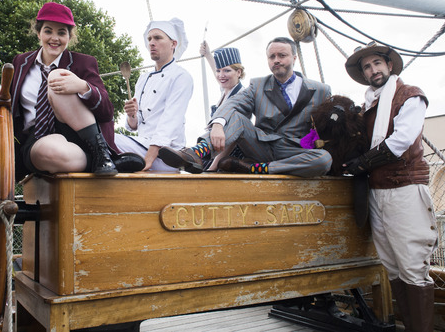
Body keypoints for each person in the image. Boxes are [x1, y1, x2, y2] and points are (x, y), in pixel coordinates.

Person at [343, 41, 437, 332]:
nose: (373, 70)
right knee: (392, 266)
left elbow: (401, 140)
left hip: (405, 188)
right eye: (367, 67)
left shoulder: (410, 96)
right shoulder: (367, 106)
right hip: (377, 192)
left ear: (390, 65)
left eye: (377, 64)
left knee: (412, 265)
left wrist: (361, 163)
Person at [159, 36, 332, 176]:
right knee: (237, 118)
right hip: (262, 146)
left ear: (294, 58)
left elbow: (330, 127)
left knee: (324, 159)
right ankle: (196, 153)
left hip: (294, 151)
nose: (276, 60)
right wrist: (218, 124)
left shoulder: (320, 90)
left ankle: (258, 169)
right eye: (272, 57)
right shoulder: (258, 85)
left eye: (282, 55)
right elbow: (234, 103)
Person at [11, 2, 143, 178]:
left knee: (57, 76)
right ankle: (103, 162)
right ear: (38, 33)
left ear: (69, 36)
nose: (54, 38)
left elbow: (107, 111)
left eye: (61, 33)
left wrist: (83, 86)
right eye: (48, 31)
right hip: (39, 138)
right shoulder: (20, 62)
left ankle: (100, 153)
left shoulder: (84, 62)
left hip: (79, 135)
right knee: (47, 152)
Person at [114, 18, 194, 171]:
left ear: (173, 44)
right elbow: (135, 126)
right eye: (149, 38)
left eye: (158, 38)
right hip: (141, 143)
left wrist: (148, 159)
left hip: (166, 154)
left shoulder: (181, 76)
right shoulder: (143, 79)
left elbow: (171, 120)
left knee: (105, 138)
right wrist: (132, 115)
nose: (151, 42)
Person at [200, 42, 246, 117]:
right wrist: (207, 54)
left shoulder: (241, 97)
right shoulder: (226, 89)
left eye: (227, 71)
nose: (221, 75)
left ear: (238, 72)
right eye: (218, 71)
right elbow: (216, 71)